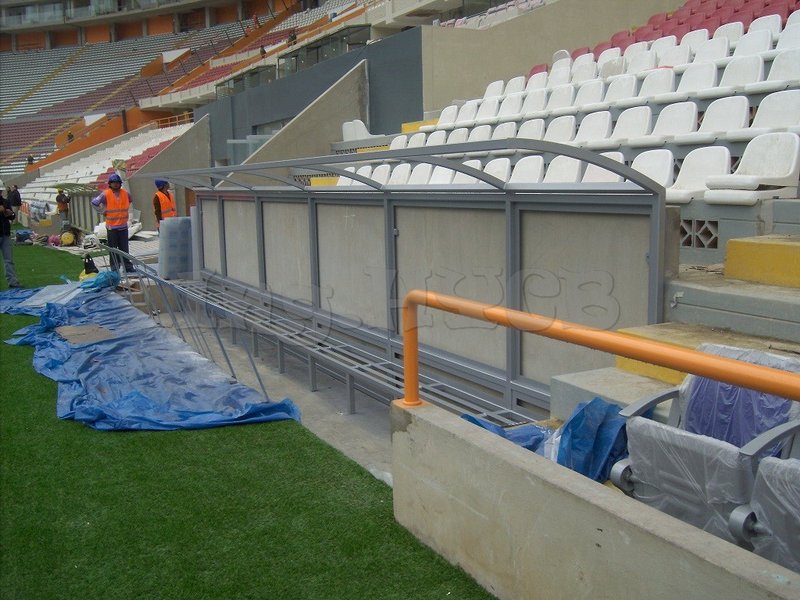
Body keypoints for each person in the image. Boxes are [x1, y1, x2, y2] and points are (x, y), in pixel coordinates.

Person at [91, 173, 134, 273]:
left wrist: (130, 218)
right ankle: (115, 267)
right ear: (110, 184)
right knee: (113, 249)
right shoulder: (105, 194)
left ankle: (127, 266)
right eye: (113, 183)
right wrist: (102, 211)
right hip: (112, 227)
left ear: (120, 183)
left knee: (124, 248)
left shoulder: (126, 193)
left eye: (117, 183)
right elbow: (94, 203)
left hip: (123, 226)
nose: (116, 184)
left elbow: (130, 202)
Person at [0, 189, 21, 289]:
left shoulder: (5, 202)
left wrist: (10, 214)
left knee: (8, 260)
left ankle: (13, 282)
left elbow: (12, 217)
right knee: (8, 260)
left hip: (5, 234)